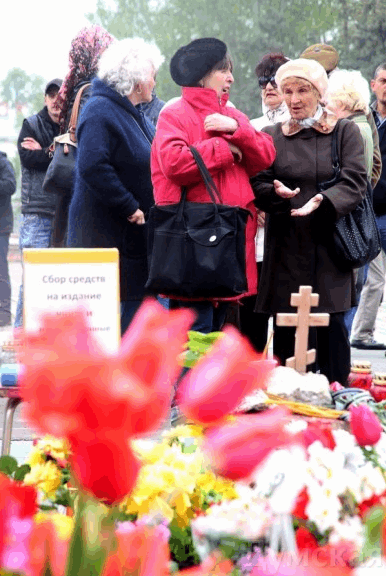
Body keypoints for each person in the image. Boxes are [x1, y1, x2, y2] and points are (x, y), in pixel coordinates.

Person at [251, 58, 368, 385]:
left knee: (330, 332)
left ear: (319, 92)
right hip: (286, 250)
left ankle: (336, 405)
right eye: (287, 91)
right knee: (288, 338)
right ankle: (289, 414)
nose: (294, 99)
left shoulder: (344, 132)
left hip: (329, 250)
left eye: (303, 90)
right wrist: (275, 192)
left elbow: (355, 182)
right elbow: (258, 181)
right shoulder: (272, 135)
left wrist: (324, 201)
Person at [151, 37, 276, 334]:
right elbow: (174, 164)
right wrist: (223, 150)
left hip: (229, 247)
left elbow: (266, 155)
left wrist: (237, 131)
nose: (231, 77)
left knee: (219, 337)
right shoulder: (174, 114)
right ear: (203, 75)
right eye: (224, 70)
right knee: (196, 337)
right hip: (194, 245)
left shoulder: (232, 115)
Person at [67, 38, 164, 334]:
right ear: (135, 81)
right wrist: (130, 206)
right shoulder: (99, 110)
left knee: (134, 317)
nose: (154, 81)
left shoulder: (132, 112)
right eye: (151, 74)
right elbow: (93, 166)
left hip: (130, 241)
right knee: (113, 325)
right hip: (108, 237)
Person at [239, 52, 290, 351]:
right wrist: (254, 201)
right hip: (255, 227)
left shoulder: (300, 124)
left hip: (288, 225)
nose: (268, 86)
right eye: (263, 80)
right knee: (253, 310)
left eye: (275, 80)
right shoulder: (250, 124)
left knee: (285, 314)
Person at [52, 25, 115, 247]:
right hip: (83, 185)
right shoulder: (91, 91)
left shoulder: (74, 87)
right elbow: (91, 139)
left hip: (70, 182)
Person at [324, 69, 374, 338]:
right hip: (355, 218)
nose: (325, 103)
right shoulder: (362, 125)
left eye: (330, 97)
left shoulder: (351, 128)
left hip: (349, 222)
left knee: (347, 292)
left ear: (342, 100)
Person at [15, 78, 62, 328]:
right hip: (37, 214)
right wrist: (55, 151)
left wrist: (44, 150)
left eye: (60, 95)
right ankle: (20, 339)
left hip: (64, 214)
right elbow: (28, 158)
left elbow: (73, 160)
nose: (56, 100)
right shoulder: (31, 124)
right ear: (45, 99)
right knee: (32, 279)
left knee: (59, 283)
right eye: (51, 95)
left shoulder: (72, 125)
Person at [300, 42, 381, 188]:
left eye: (326, 75)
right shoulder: (297, 106)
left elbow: (373, 163)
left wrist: (356, 196)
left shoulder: (354, 105)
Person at [351, 61, 386, 351]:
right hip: (363, 210)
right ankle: (357, 331)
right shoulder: (363, 118)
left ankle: (362, 332)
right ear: (373, 84)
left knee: (377, 278)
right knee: (359, 274)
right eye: (383, 80)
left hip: (382, 211)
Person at [0, 153, 16, 326]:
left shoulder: (3, 162)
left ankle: (4, 314)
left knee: (0, 272)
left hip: (1, 227)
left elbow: (11, 185)